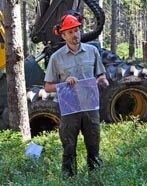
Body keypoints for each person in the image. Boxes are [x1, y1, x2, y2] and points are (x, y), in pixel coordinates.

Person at [44, 14, 109, 177]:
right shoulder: (56, 58)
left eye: (77, 30)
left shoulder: (92, 51)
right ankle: (69, 179)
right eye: (71, 32)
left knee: (94, 146)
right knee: (69, 148)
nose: (75, 34)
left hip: (90, 107)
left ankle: (95, 178)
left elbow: (101, 75)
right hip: (70, 109)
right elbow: (47, 87)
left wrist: (102, 81)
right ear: (63, 35)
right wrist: (65, 83)